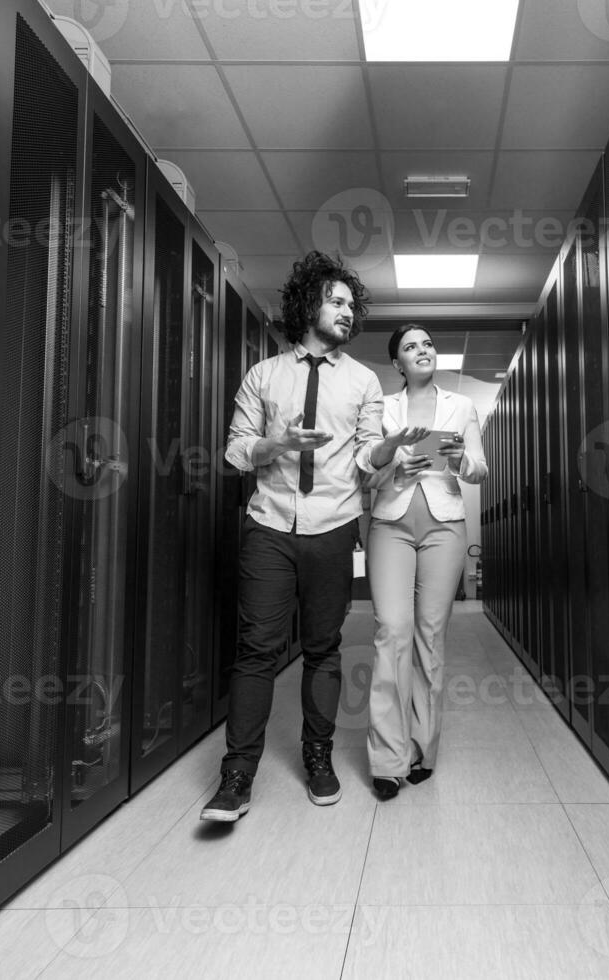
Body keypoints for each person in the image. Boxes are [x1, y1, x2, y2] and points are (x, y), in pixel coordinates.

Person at [200, 252, 425, 822]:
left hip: (332, 526)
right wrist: (276, 445)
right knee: (256, 649)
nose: (348, 313)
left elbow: (367, 457)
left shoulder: (364, 380)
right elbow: (234, 449)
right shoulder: (264, 375)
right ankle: (237, 774)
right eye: (337, 301)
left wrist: (387, 449)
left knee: (324, 649)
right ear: (308, 304)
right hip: (270, 524)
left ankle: (318, 757)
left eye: (353, 306)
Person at [360, 324, 488, 800]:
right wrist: (395, 463)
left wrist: (455, 457)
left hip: (445, 527)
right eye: (411, 347)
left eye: (428, 344)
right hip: (390, 525)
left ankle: (422, 751)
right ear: (397, 363)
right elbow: (365, 475)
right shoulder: (381, 408)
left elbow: (479, 469)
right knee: (391, 630)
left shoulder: (462, 406)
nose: (423, 350)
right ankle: (387, 759)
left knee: (429, 637)